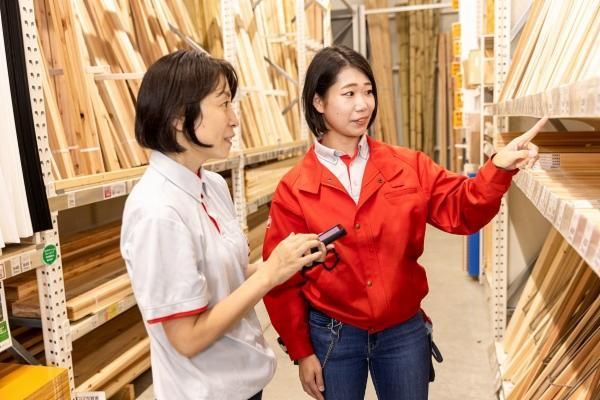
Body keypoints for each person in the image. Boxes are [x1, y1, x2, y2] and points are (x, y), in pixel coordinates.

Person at [262, 45, 545, 400]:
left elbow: (462, 207)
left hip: (402, 331)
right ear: (318, 102)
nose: (363, 105)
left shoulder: (407, 166)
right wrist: (302, 350)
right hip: (334, 334)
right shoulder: (295, 189)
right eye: (349, 94)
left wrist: (498, 167)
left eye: (368, 92)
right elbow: (281, 279)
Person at [120, 49, 324, 400]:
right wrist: (268, 274)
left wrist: (285, 263)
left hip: (244, 382)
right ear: (179, 117)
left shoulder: (211, 185)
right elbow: (187, 338)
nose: (234, 120)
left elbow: (222, 277)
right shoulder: (158, 211)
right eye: (224, 104)